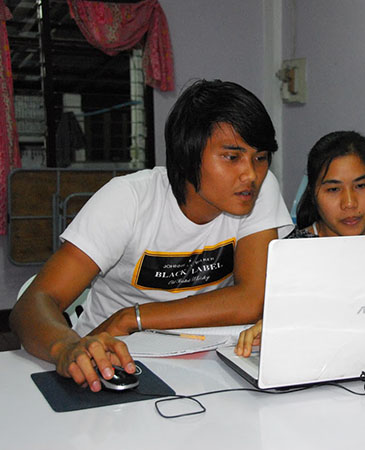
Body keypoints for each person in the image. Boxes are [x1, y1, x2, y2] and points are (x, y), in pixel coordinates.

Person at [10, 80, 293, 391]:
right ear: (188, 155)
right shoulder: (128, 200)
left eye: (260, 157)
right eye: (231, 157)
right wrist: (66, 347)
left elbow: (249, 299)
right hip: (111, 362)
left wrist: (134, 318)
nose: (251, 174)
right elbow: (33, 303)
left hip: (206, 360)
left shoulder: (260, 192)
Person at [235, 130, 365, 357]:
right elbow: (289, 322)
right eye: (333, 189)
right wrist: (272, 328)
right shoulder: (294, 253)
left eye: (361, 186)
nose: (349, 203)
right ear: (314, 194)